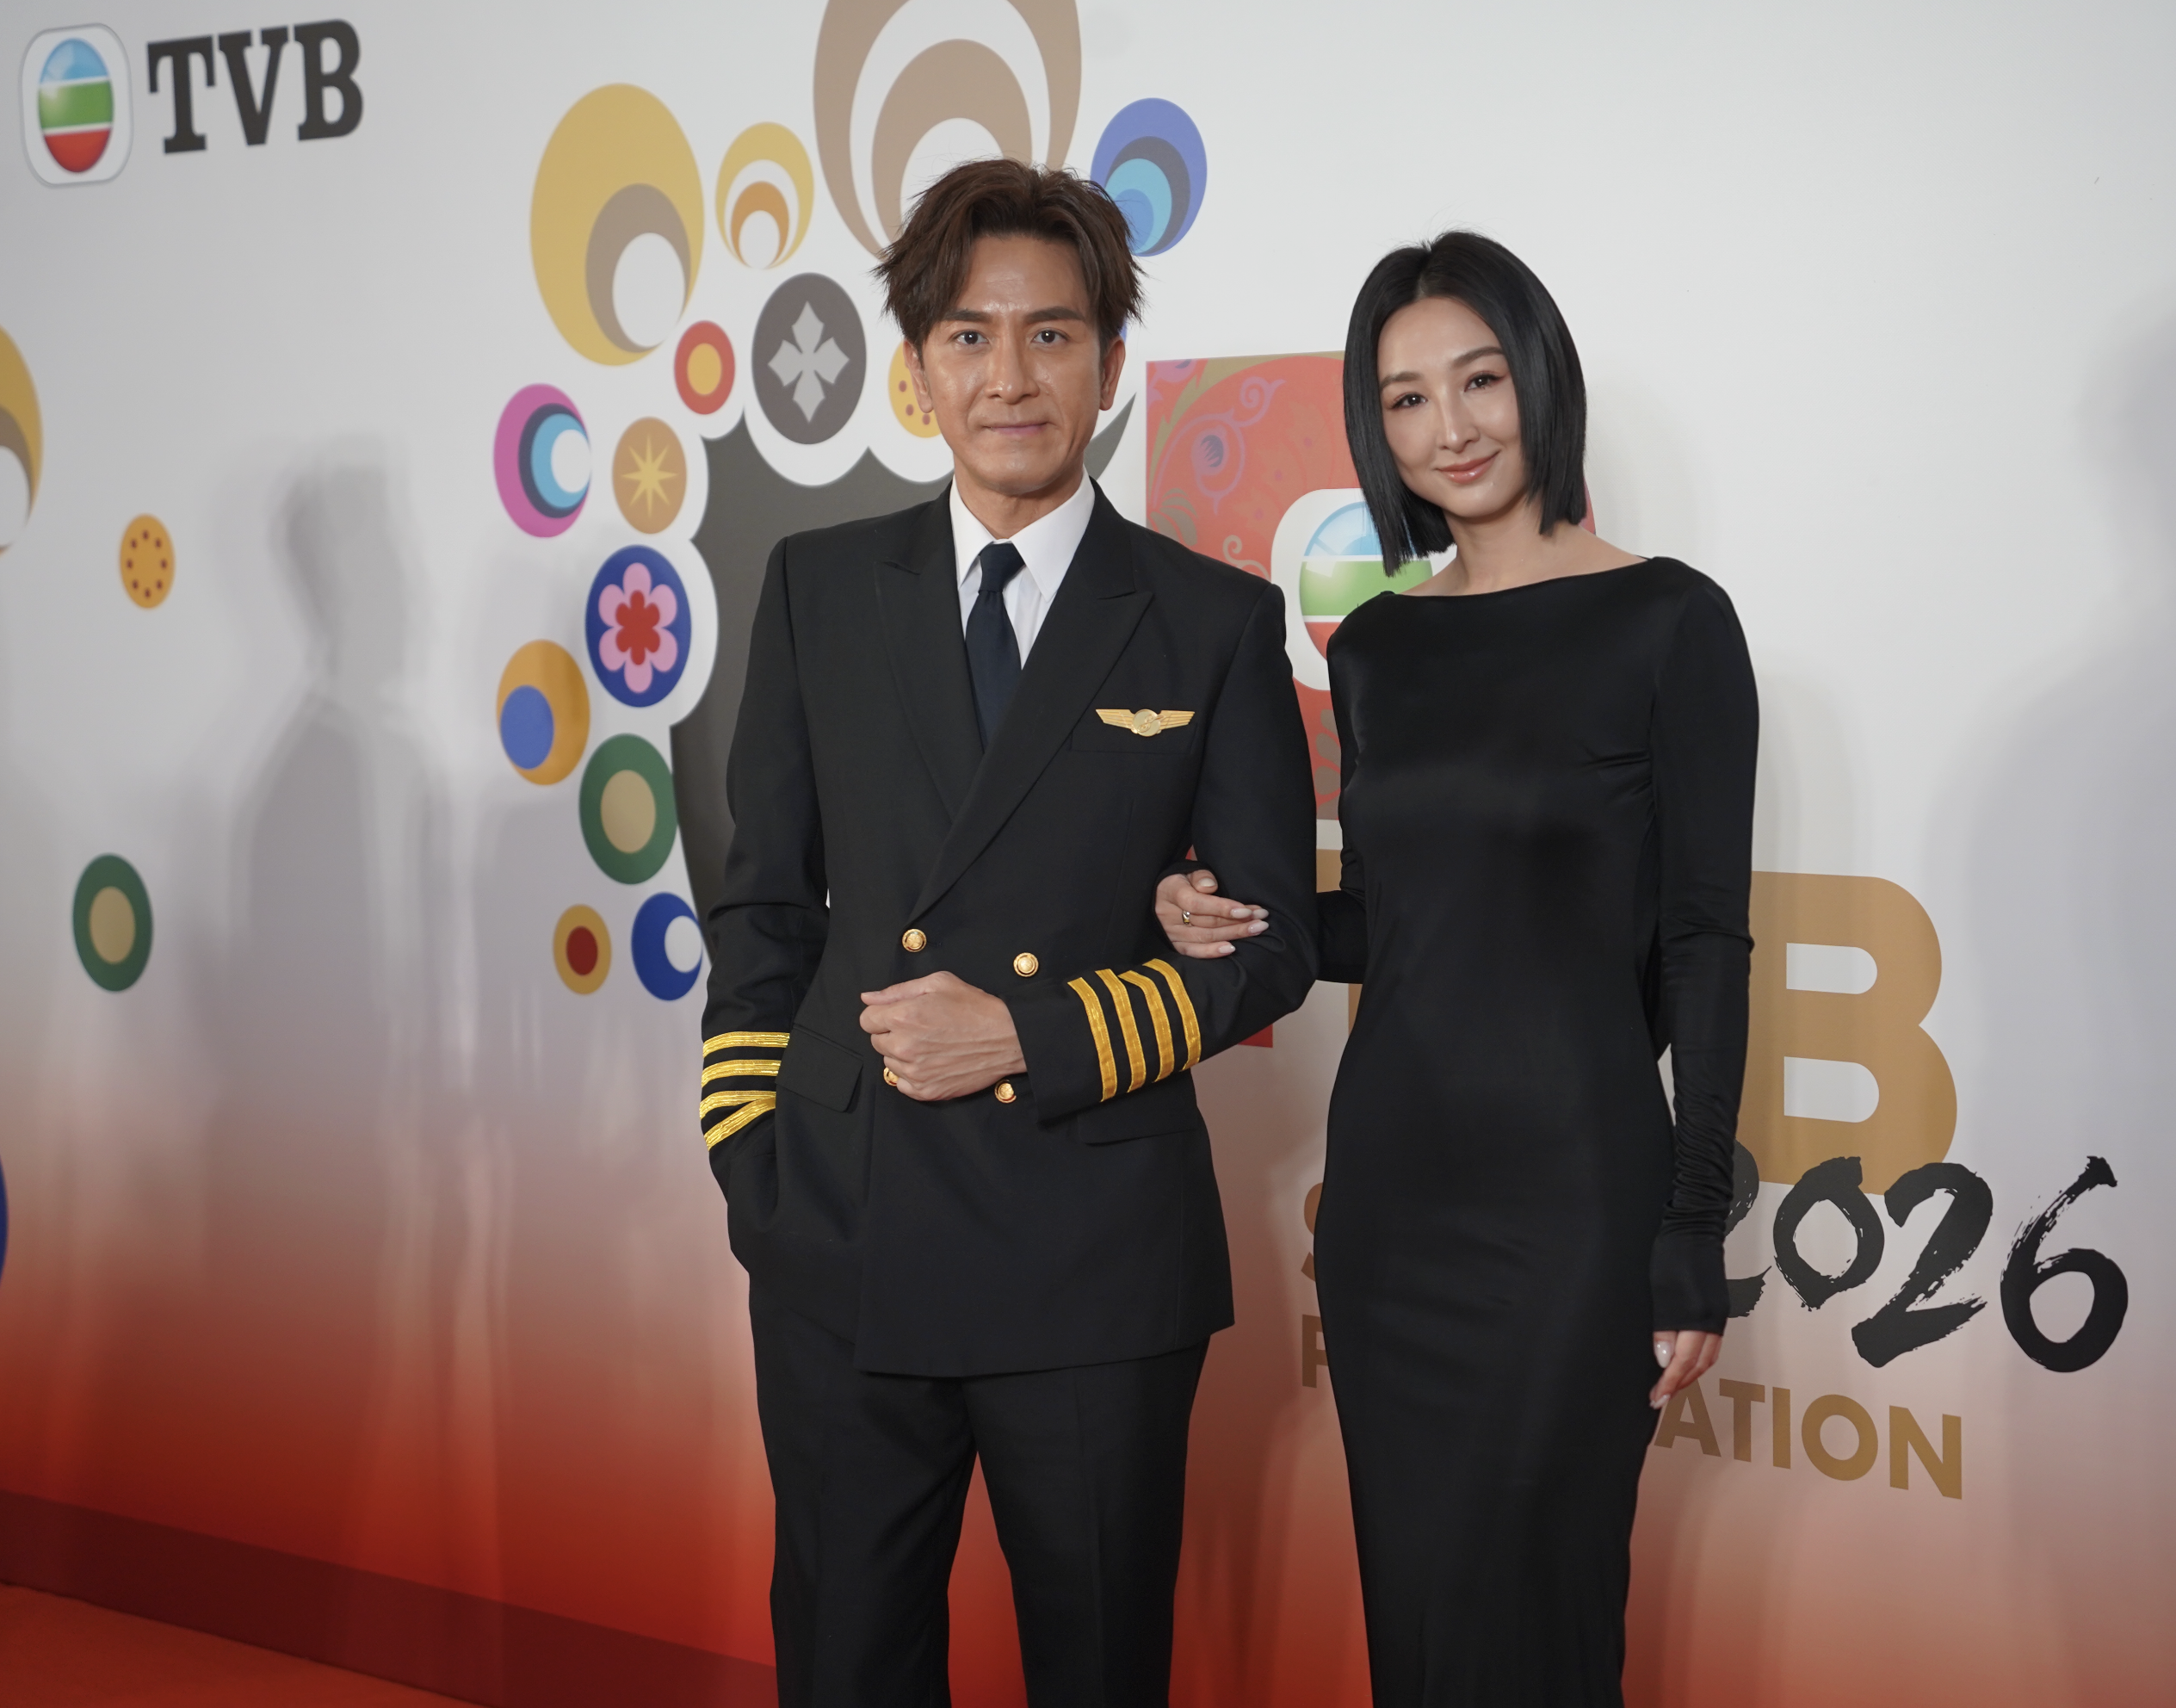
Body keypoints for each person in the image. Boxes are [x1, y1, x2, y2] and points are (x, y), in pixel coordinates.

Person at [699, 159, 1319, 1707]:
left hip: (1093, 1248)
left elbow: (1272, 945)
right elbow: (762, 904)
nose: (1011, 376)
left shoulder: (1210, 619)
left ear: (1109, 364)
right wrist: (755, 1162)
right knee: (845, 1665)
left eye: (1052, 335)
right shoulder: (819, 588)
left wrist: (1025, 1036)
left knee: (1098, 1672)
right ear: (918, 367)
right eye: (969, 337)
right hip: (845, 1229)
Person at [1156, 232, 1758, 1705]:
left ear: (1541, 378)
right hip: (1393, 1207)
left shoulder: (1671, 621)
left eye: (1481, 380)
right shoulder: (1374, 649)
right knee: (1421, 1624)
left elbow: (1704, 943)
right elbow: (1396, 926)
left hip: (1574, 1207)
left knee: (1540, 1622)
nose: (1453, 427)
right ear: (1377, 427)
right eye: (1408, 398)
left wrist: (1691, 1225)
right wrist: (1229, 913)